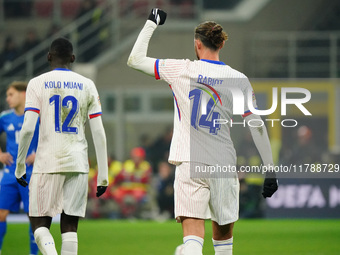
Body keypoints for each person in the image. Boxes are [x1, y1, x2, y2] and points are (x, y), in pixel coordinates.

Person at [127, 8, 278, 255]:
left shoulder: (181, 69)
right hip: (223, 164)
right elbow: (256, 124)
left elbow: (135, 60)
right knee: (223, 245)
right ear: (221, 45)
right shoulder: (237, 79)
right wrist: (270, 169)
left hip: (190, 162)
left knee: (192, 242)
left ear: (198, 44)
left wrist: (152, 23)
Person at [15, 37, 109, 255]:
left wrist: (20, 165)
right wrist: (103, 175)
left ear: (49, 56)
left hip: (47, 161)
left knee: (39, 224)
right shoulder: (88, 84)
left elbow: (28, 128)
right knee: (70, 228)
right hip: (77, 162)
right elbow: (99, 133)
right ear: (73, 58)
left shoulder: (37, 83)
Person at [0, 81, 39, 255]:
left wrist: (39, 153)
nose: (8, 98)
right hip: (9, 174)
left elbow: (52, 138)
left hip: (32, 173)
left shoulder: (38, 116)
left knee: (34, 216)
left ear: (23, 94)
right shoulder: (5, 117)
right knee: (1, 213)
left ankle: (33, 253)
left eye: (11, 94)